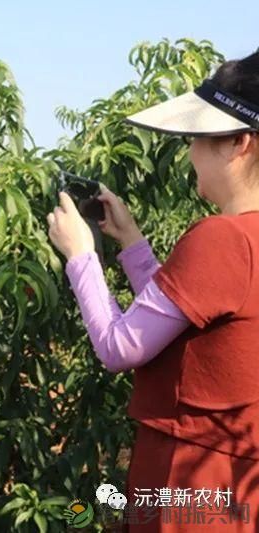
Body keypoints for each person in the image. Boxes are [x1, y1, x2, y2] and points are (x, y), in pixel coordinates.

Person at [47, 50, 259, 532]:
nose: (190, 154)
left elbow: (121, 347)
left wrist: (81, 254)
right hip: (237, 487)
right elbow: (183, 316)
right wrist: (133, 243)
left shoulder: (222, 238)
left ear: (240, 143)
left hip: (190, 484)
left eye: (197, 140)